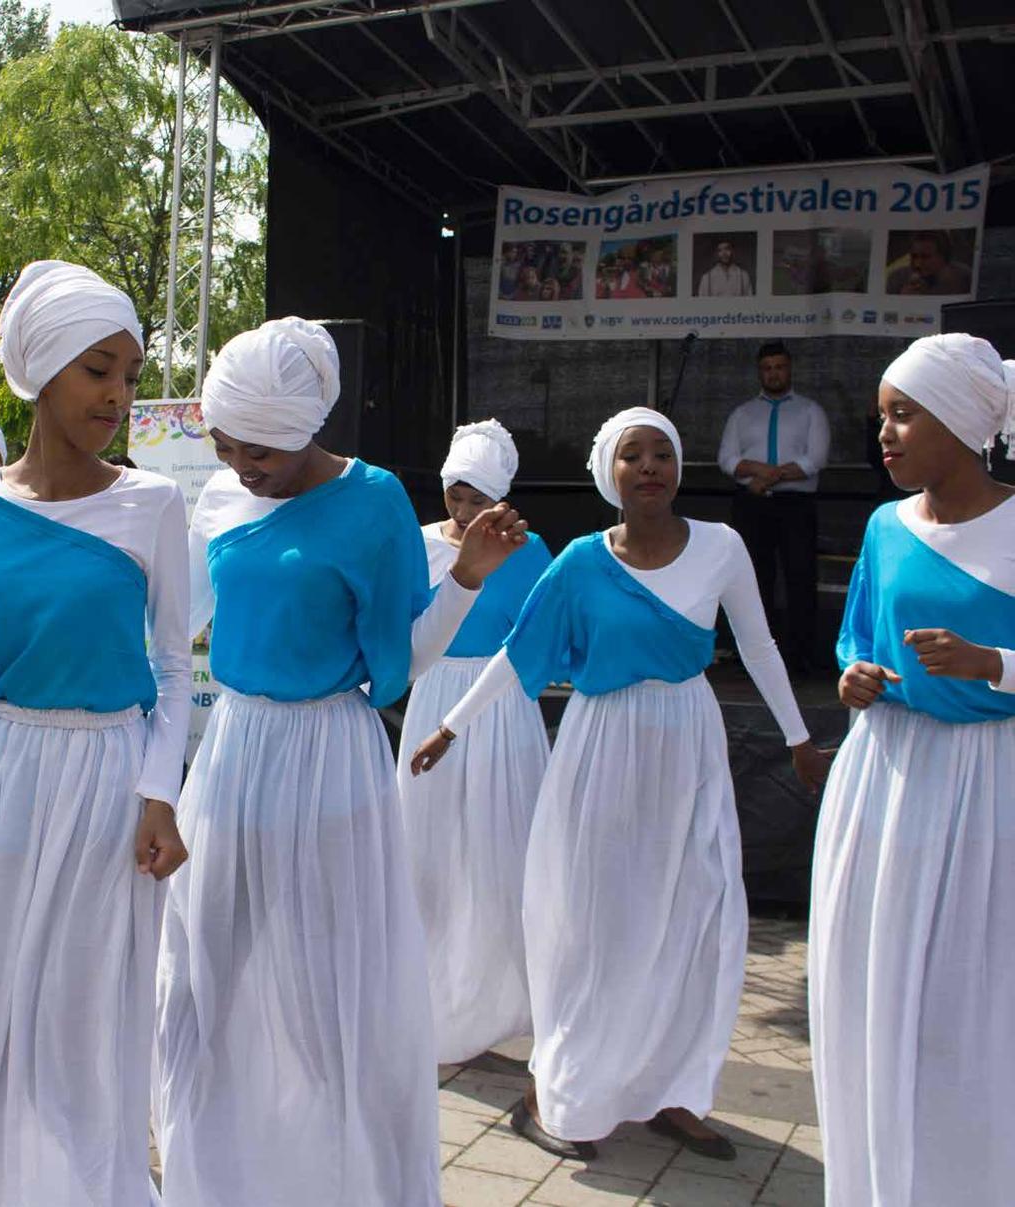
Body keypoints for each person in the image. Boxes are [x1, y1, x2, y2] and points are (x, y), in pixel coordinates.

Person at [154, 318, 528, 1207]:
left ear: (308, 429)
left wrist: (467, 577)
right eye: (225, 444)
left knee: (328, 987)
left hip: (332, 758)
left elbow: (401, 658)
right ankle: (217, 1171)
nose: (241, 463)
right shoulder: (220, 501)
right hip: (235, 754)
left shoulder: (375, 502)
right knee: (208, 970)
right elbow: (165, 637)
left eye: (262, 451)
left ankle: (336, 1176)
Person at [411, 406, 830, 1163]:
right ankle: (554, 1091)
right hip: (602, 745)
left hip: (689, 742)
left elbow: (761, 644)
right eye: (632, 455)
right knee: (593, 922)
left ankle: (670, 1090)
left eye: (662, 453)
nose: (649, 467)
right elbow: (518, 653)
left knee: (691, 917)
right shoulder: (577, 560)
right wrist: (453, 726)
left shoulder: (722, 547)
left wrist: (800, 736)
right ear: (610, 473)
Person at [0, 260, 190, 1206]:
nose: (117, 396)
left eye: (127, 374)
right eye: (97, 370)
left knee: (82, 1021)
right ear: (40, 371)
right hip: (2, 775)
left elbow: (174, 667)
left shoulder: (152, 504)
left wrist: (160, 793)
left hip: (107, 785)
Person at [809, 333, 1015, 1207]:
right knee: (869, 987)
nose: (884, 434)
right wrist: (856, 673)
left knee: (967, 1006)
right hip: (882, 775)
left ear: (966, 423)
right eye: (881, 416)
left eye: (903, 414)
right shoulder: (883, 525)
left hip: (985, 787)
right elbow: (858, 631)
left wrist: (995, 662)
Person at [398, 419, 552, 1064]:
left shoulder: (529, 550)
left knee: (498, 852)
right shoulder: (420, 544)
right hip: (430, 697)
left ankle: (503, 1000)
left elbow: (535, 639)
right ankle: (424, 999)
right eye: (454, 495)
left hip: (498, 707)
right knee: (425, 851)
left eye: (476, 498)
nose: (462, 511)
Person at [718, 341, 830, 674]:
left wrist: (768, 477)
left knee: (799, 578)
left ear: (789, 369)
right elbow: (726, 458)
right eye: (767, 368)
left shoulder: (811, 411)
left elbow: (816, 458)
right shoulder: (742, 413)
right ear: (759, 371)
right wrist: (756, 470)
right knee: (752, 579)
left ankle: (799, 658)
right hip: (752, 506)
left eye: (779, 367)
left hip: (796, 505)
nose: (773, 373)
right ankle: (752, 656)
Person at [886, 230, 972, 296]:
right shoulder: (896, 278)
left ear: (943, 256)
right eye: (914, 256)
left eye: (926, 257)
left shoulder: (964, 276)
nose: (917, 264)